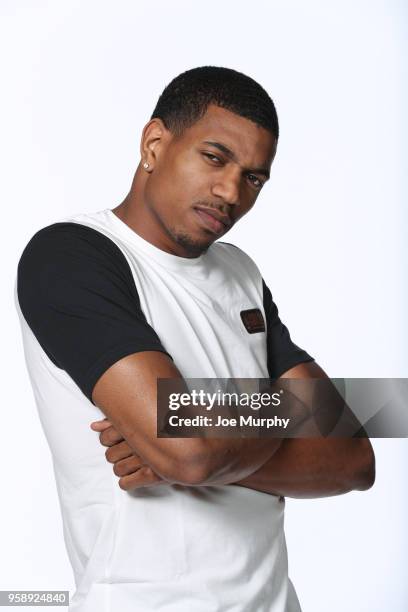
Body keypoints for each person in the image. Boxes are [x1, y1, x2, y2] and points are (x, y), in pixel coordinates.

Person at [15, 66, 375, 612]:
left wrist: (190, 442)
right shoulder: (71, 255)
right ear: (155, 143)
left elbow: (353, 458)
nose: (231, 191)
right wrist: (275, 420)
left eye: (254, 177)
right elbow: (190, 450)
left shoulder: (241, 273)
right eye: (215, 157)